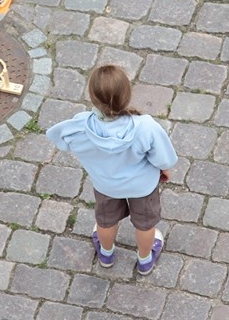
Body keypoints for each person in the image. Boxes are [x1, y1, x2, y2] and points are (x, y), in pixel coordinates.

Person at [46, 65, 177, 275]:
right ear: (127, 95)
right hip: (142, 187)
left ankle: (106, 254)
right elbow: (164, 158)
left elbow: (59, 137)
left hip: (105, 184)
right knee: (145, 225)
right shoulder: (145, 127)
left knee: (105, 222)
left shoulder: (80, 126)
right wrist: (166, 170)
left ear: (92, 97)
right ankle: (145, 260)